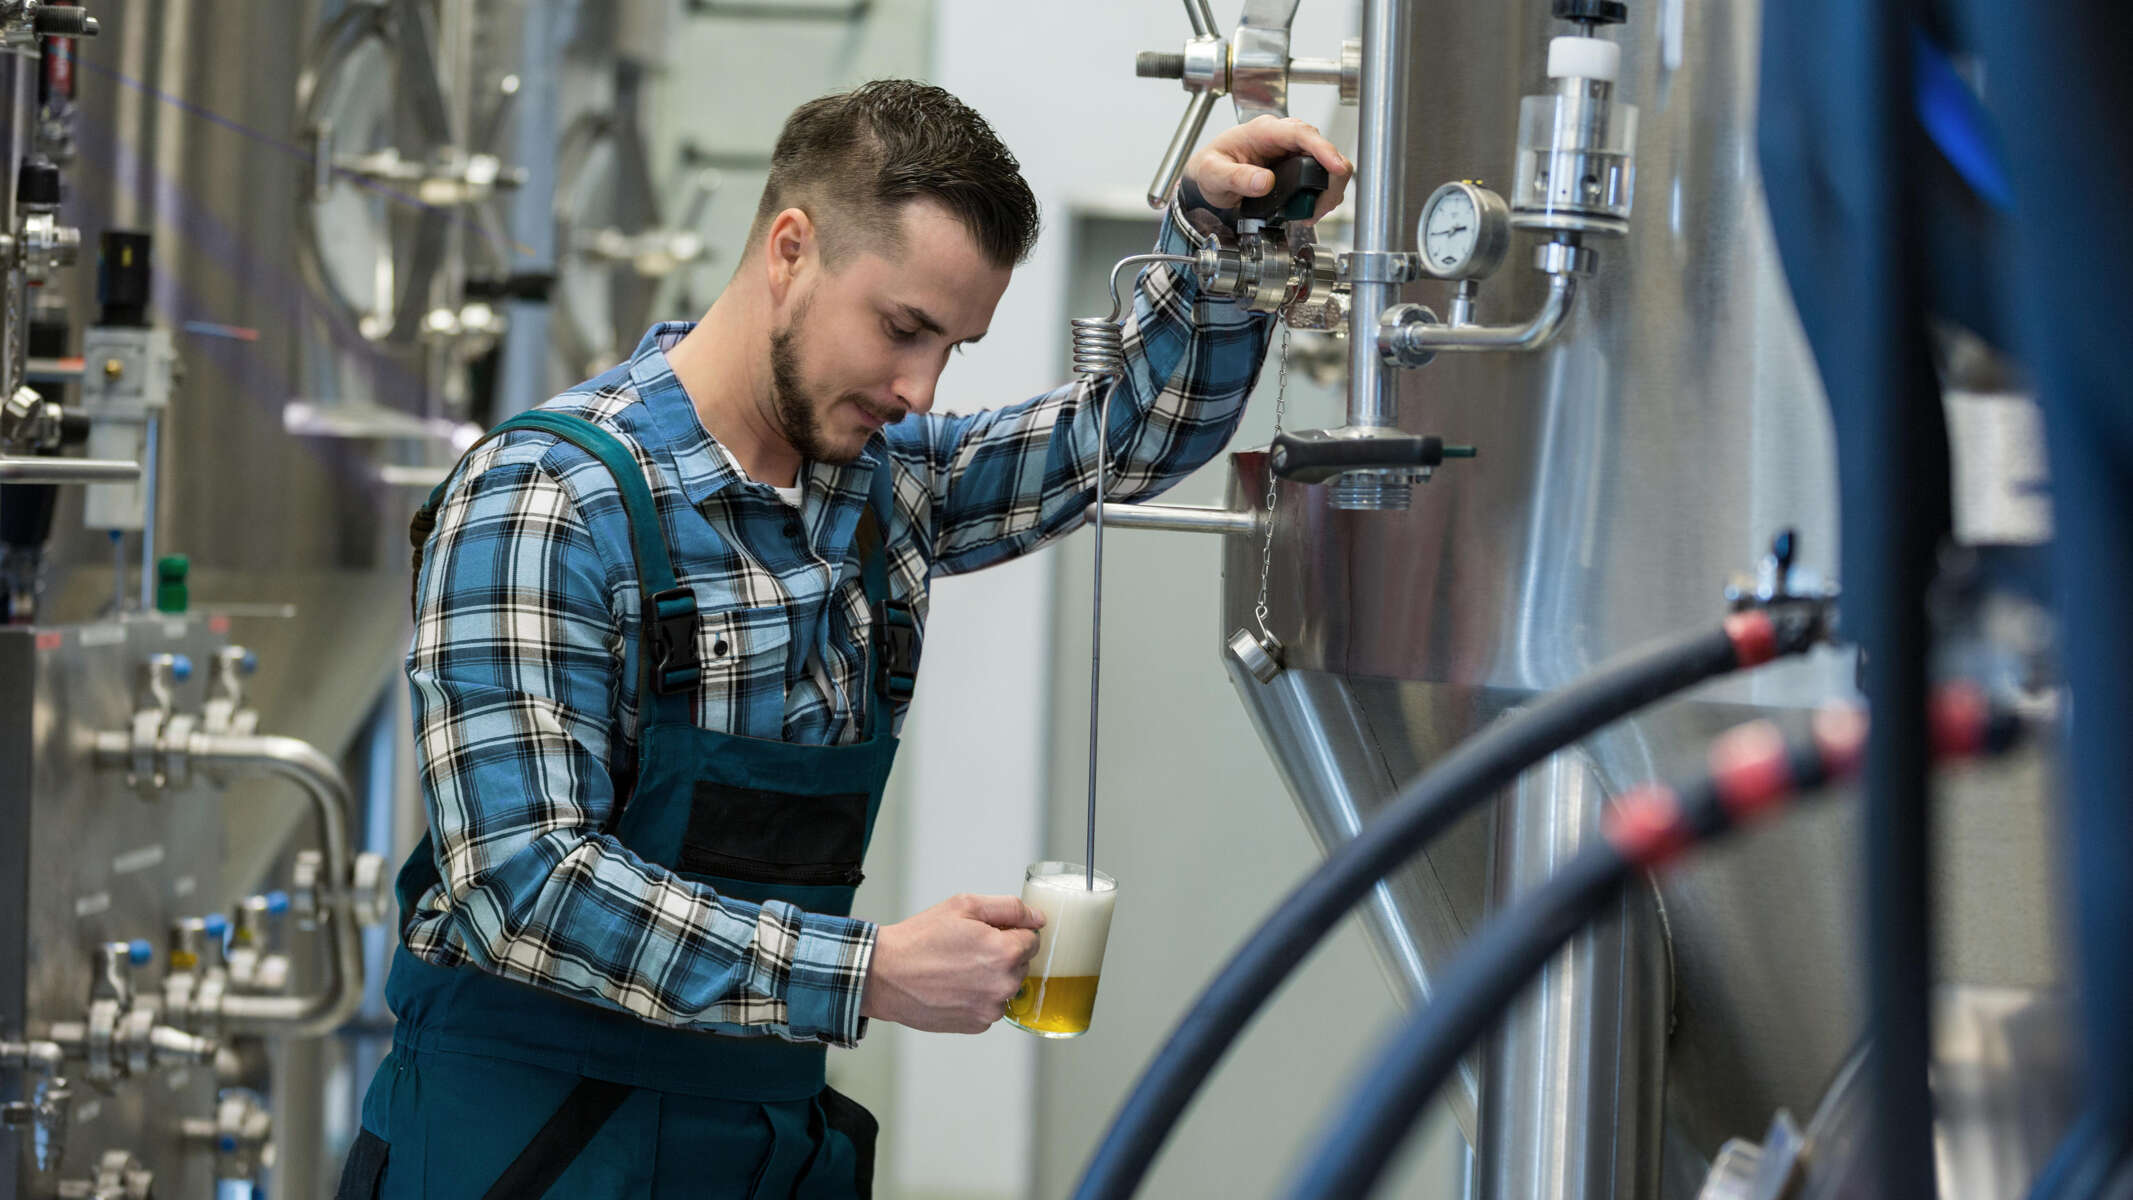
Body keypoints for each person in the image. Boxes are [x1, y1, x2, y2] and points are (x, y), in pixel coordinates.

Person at [334, 78, 1350, 1199]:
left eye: (952, 348)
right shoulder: (549, 500)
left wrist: (1216, 242)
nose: (918, 388)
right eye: (904, 327)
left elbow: (1122, 436)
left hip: (758, 1145)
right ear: (790, 248)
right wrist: (866, 973)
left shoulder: (879, 492)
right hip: (522, 1147)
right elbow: (520, 885)